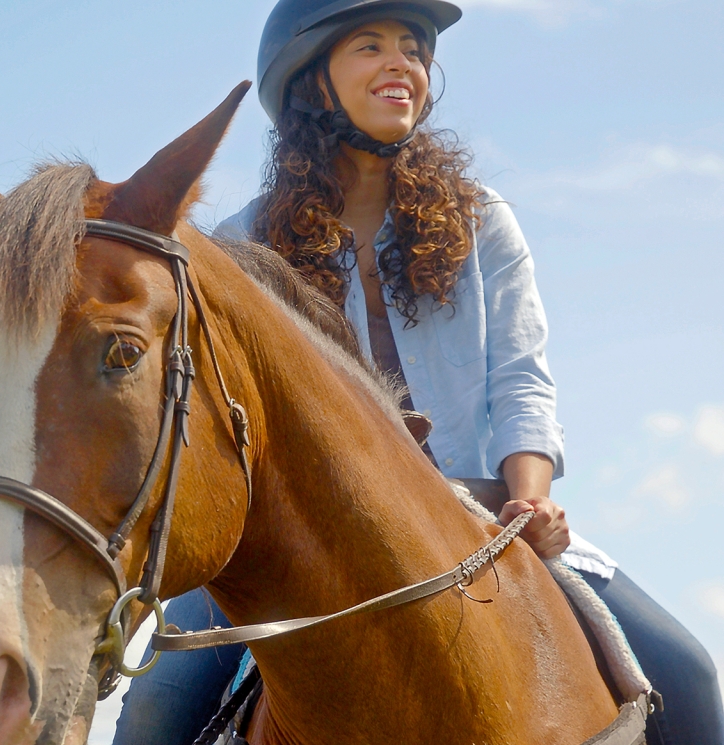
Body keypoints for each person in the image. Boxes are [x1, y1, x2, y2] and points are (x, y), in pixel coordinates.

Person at [111, 2, 724, 744]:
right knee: (151, 714)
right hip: (291, 545)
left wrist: (532, 500)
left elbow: (522, 378)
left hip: (487, 520)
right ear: (309, 82)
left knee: (691, 675)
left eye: (412, 47)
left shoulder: (481, 219)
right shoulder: (240, 244)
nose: (400, 62)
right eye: (370, 45)